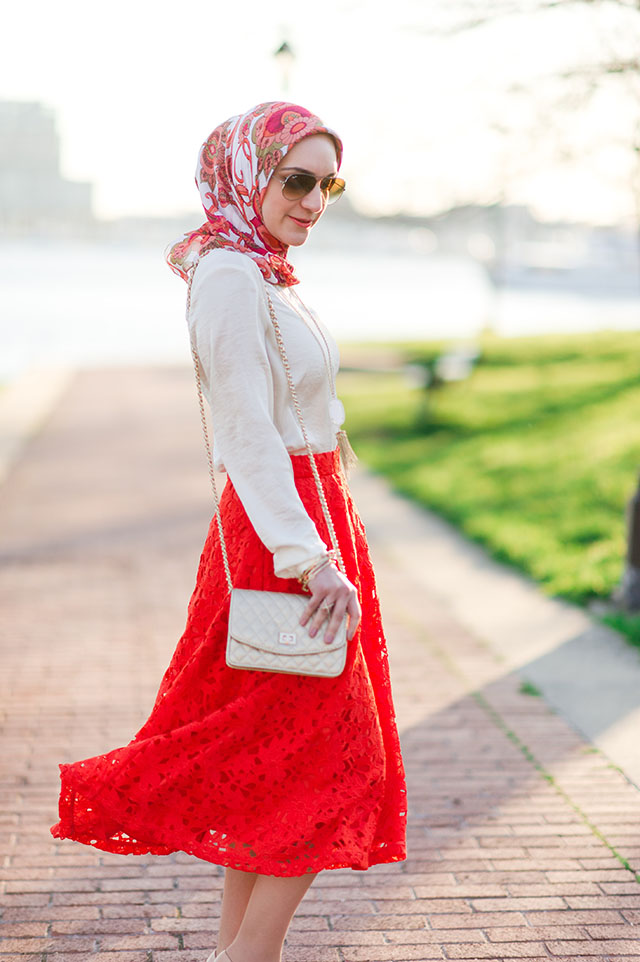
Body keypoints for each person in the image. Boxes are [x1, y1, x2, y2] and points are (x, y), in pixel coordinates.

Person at [50, 101, 407, 962]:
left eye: (329, 183)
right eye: (296, 179)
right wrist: (309, 556)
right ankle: (249, 957)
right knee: (337, 758)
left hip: (312, 521)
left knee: (279, 757)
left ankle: (236, 954)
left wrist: (327, 535)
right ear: (249, 173)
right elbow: (247, 431)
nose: (314, 200)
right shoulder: (229, 277)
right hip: (288, 535)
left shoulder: (262, 270)